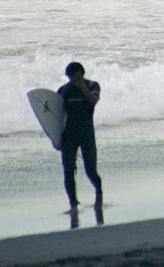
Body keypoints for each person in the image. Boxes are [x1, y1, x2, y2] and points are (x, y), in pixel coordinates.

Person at [58, 62, 103, 215]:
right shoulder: (63, 90)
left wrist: (81, 86)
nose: (71, 80)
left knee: (90, 170)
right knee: (68, 170)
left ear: (81, 74)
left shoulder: (92, 85)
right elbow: (57, 117)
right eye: (69, 77)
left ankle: (99, 193)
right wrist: (55, 138)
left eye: (74, 76)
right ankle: (73, 205)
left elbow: (93, 102)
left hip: (86, 134)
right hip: (68, 136)